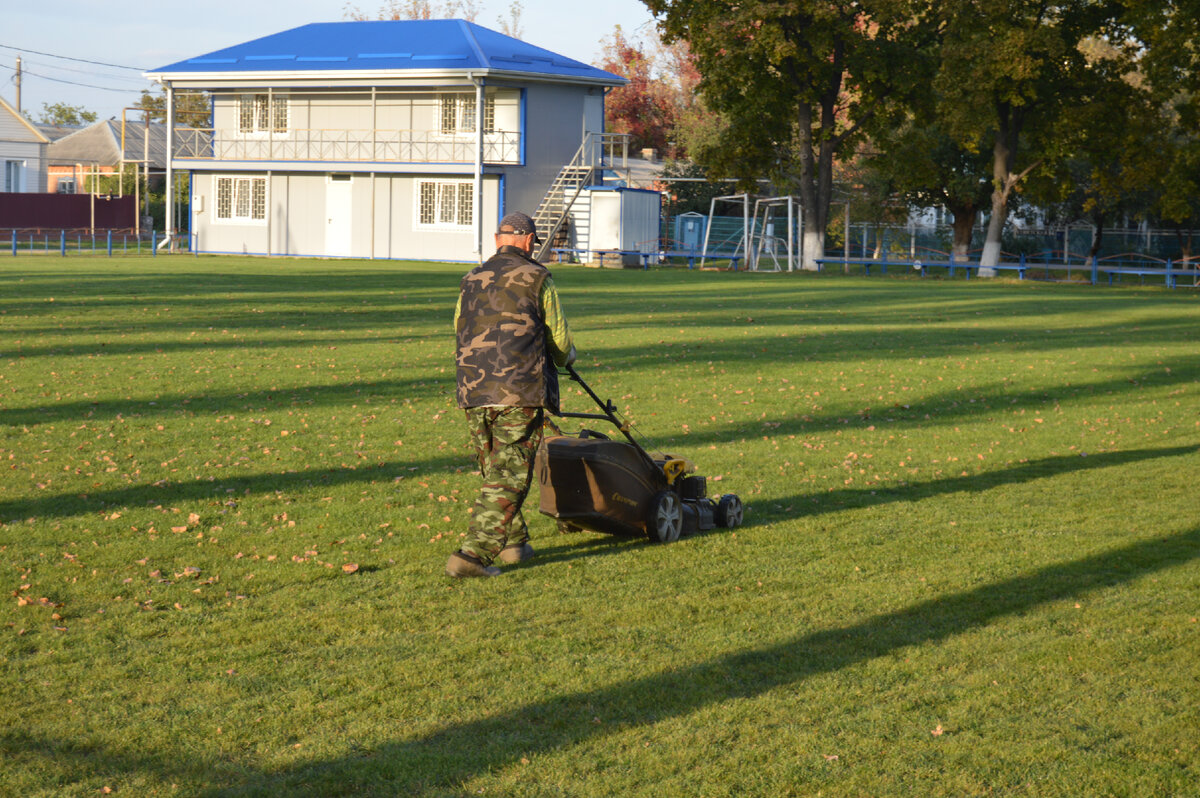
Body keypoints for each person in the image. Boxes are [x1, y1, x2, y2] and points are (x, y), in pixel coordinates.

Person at [446, 211, 576, 578]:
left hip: (472, 388)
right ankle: (471, 556)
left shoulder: (470, 279)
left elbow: (458, 327)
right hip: (520, 389)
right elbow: (559, 339)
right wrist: (567, 358)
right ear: (530, 240)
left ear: (496, 238)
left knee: (494, 466)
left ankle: (514, 545)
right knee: (510, 472)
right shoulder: (538, 278)